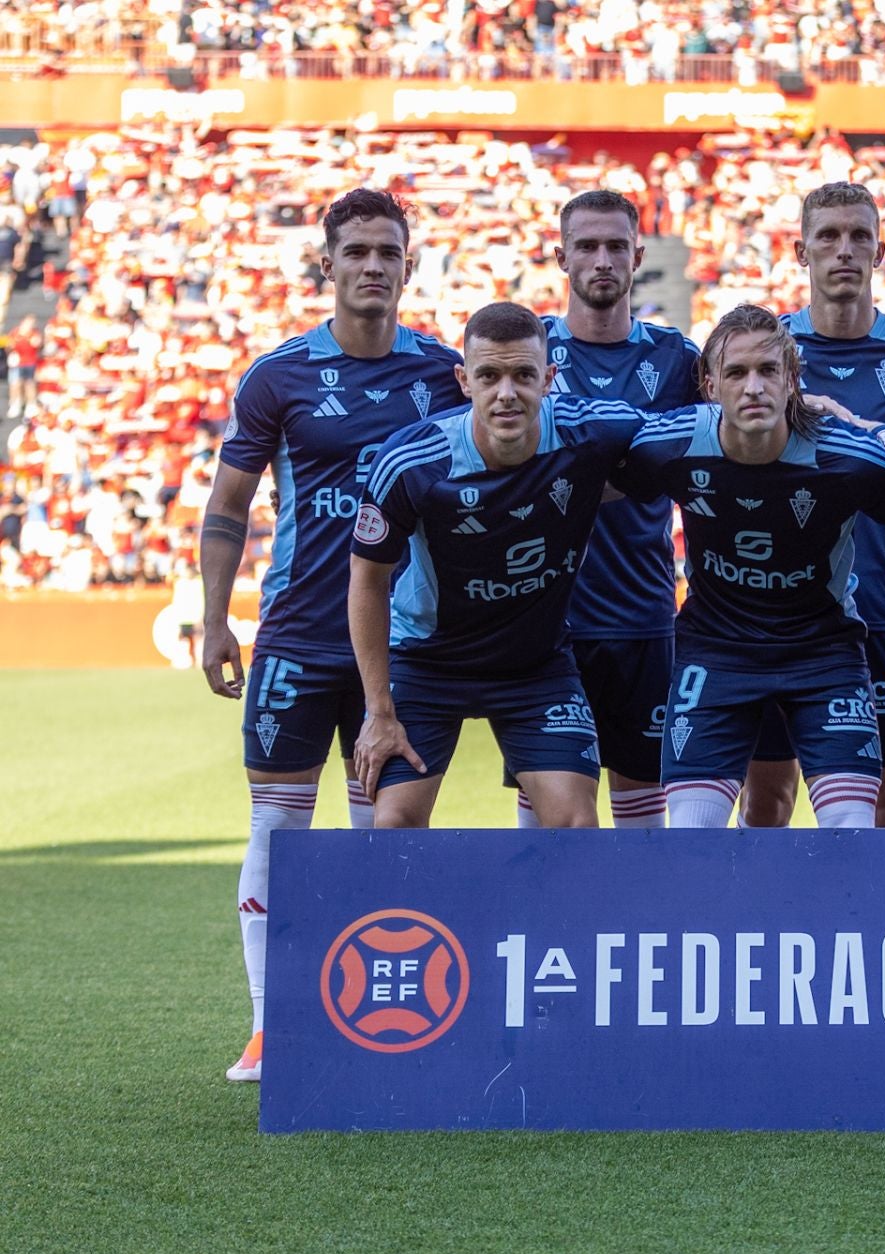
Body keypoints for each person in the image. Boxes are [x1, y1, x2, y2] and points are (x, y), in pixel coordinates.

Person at [195, 188, 464, 1085]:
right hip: (298, 640)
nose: (374, 266)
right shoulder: (278, 376)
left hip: (403, 648)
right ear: (329, 265)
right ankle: (273, 1027)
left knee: (379, 836)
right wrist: (215, 618)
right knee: (277, 829)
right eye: (357, 252)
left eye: (389, 252)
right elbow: (228, 506)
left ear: (409, 265)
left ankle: (377, 1021)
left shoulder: (443, 373)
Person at [347, 302, 658, 829]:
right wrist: (378, 710)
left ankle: (545, 917)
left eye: (523, 375)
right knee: (393, 824)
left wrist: (799, 407)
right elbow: (367, 579)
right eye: (489, 376)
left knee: (577, 825)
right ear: (463, 380)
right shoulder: (412, 461)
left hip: (535, 667)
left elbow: (700, 431)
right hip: (428, 663)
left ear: (549, 378)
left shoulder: (593, 432)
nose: (506, 393)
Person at [622, 304, 885, 830]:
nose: (753, 387)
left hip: (823, 654)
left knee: (853, 833)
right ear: (711, 385)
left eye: (768, 371)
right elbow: (575, 486)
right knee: (693, 838)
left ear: (793, 380)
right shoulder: (671, 445)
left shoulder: (848, 457)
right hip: (717, 652)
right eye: (737, 373)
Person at [739, 181, 885, 830]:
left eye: (859, 237)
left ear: (880, 251)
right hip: (773, 623)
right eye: (829, 237)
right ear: (800, 251)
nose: (844, 250)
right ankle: (766, 933)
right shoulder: (757, 354)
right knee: (766, 805)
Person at [504, 189, 703, 831]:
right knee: (547, 819)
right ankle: (540, 933)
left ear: (639, 255)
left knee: (642, 821)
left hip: (641, 619)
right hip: (545, 625)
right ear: (560, 257)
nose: (602, 260)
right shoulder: (524, 357)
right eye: (586, 246)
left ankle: (635, 932)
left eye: (616, 246)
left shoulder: (678, 361)